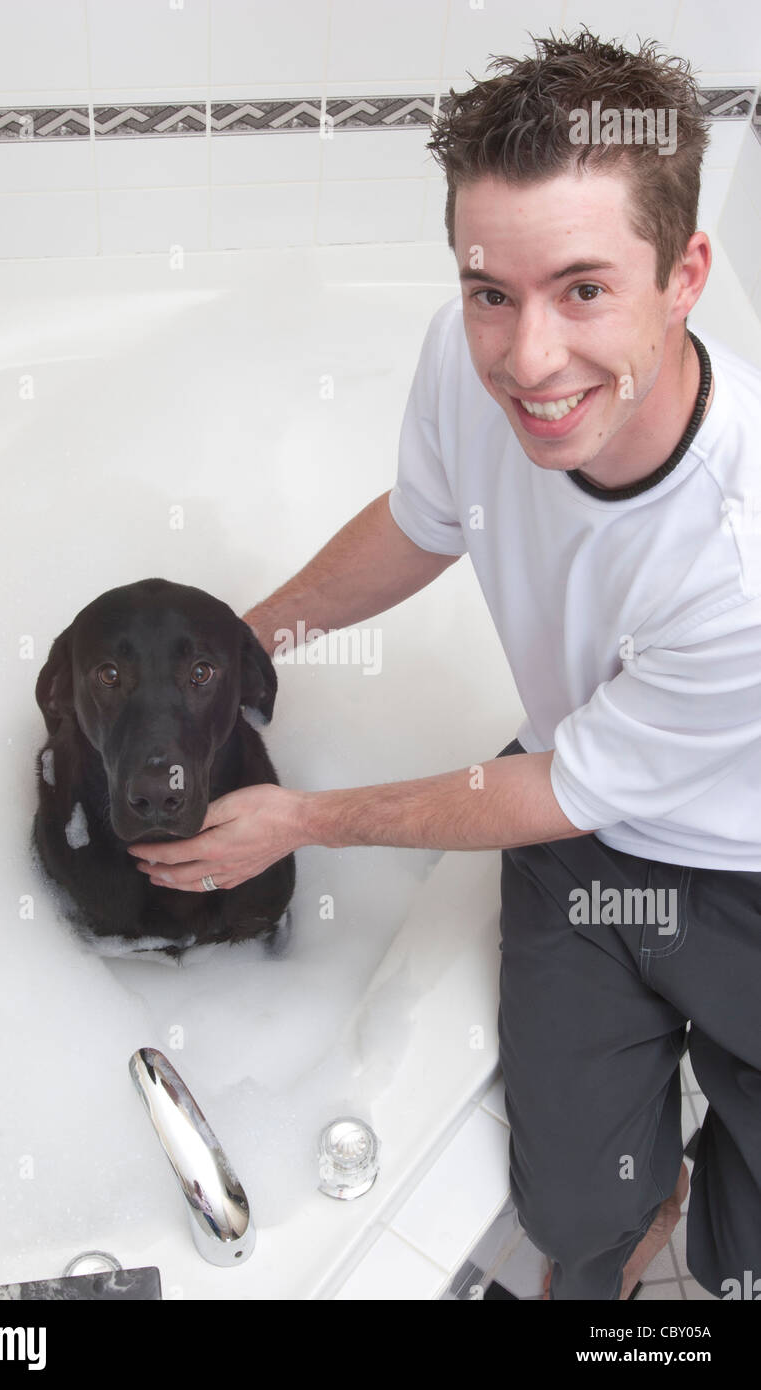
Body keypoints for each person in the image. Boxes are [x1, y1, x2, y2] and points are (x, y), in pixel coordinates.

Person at [128, 27, 761, 1300]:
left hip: (740, 870)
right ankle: (644, 1218)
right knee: (576, 1211)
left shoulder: (738, 557)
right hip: (589, 825)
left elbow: (548, 792)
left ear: (685, 273)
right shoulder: (463, 360)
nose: (526, 361)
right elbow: (426, 522)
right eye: (491, 292)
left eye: (584, 289)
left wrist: (301, 819)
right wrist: (234, 656)